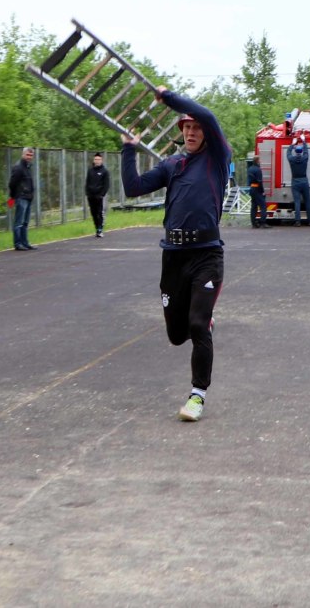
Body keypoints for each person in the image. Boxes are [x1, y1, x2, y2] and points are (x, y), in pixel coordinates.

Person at [121, 87, 230, 422]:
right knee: (176, 335)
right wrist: (128, 150)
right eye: (187, 128)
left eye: (197, 128)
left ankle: (197, 395)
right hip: (173, 257)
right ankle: (201, 317)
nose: (192, 132)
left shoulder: (217, 159)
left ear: (206, 134)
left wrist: (169, 97)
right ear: (181, 132)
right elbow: (133, 188)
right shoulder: (172, 164)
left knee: (198, 325)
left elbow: (208, 116)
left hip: (206, 256)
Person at [8, 147, 37, 251]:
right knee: (19, 222)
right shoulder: (18, 167)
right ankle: (18, 243)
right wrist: (12, 197)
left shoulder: (28, 167)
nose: (29, 157)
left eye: (31, 155)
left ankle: (25, 242)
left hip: (28, 197)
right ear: (23, 154)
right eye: (27, 155)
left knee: (25, 222)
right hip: (20, 197)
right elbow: (12, 183)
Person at [286, 137, 310, 226]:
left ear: (295, 151)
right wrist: (304, 141)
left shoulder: (291, 159)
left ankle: (298, 221)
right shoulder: (304, 158)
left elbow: (288, 153)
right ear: (301, 151)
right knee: (307, 201)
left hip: (295, 181)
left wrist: (292, 144)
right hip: (304, 180)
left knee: (297, 202)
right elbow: (306, 152)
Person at [85, 153, 111, 237]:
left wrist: (102, 194)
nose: (97, 161)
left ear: (101, 160)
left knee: (99, 212)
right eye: (95, 159)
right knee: (93, 213)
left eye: (98, 159)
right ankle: (97, 228)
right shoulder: (90, 170)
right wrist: (87, 192)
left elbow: (106, 184)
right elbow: (87, 182)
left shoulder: (104, 171)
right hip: (91, 195)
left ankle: (100, 229)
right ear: (93, 160)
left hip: (99, 196)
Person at [246, 152, 268, 228]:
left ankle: (254, 223)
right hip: (257, 189)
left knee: (254, 206)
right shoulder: (258, 170)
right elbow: (259, 181)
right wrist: (262, 191)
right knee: (263, 206)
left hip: (252, 189)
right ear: (257, 161)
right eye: (259, 160)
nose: (260, 161)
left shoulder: (250, 169)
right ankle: (263, 223)